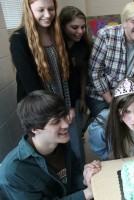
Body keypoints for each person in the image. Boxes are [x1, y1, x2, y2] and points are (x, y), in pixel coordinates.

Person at [9, 0, 84, 168]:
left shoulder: (57, 34)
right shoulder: (19, 39)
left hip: (64, 104)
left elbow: (69, 72)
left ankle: (80, 183)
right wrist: (54, 116)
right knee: (50, 154)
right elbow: (31, 84)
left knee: (73, 149)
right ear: (29, 10)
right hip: (41, 110)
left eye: (51, 9)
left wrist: (70, 106)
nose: (47, 14)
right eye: (40, 10)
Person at [0, 90, 101, 200]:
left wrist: (85, 178)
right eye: (56, 121)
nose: (66, 124)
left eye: (65, 116)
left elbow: (73, 175)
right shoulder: (15, 170)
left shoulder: (60, 143)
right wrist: (88, 192)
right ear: (35, 129)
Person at [86, 1, 134, 117]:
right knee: (112, 123)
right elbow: (95, 73)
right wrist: (112, 102)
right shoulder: (105, 35)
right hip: (101, 95)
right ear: (124, 22)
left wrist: (129, 102)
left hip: (129, 95)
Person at [59, 5, 92, 169]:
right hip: (58, 101)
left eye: (83, 27)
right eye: (74, 27)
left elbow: (83, 73)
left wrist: (82, 98)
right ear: (63, 25)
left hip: (76, 98)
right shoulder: (55, 47)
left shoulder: (84, 46)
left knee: (76, 139)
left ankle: (82, 173)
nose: (80, 31)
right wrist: (66, 106)